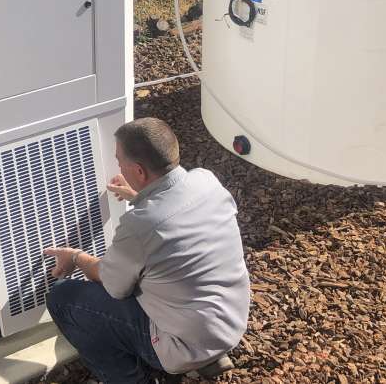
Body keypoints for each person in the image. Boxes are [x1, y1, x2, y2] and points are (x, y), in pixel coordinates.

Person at [43, 117, 250, 384]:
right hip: (229, 323)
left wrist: (74, 257)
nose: (117, 164)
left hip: (182, 344)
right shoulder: (207, 182)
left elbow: (111, 284)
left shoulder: (141, 226)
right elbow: (176, 214)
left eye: (119, 161)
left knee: (62, 297)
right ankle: (210, 356)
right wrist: (140, 195)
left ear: (139, 171)